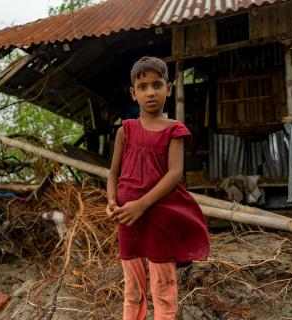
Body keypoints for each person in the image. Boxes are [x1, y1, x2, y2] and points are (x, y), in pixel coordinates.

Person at [106, 56, 210, 320]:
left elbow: (175, 174)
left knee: (163, 286)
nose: (150, 92)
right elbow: (113, 173)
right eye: (143, 87)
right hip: (127, 220)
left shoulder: (175, 129)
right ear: (133, 93)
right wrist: (111, 202)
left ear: (169, 88)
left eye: (157, 84)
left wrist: (141, 204)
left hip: (158, 218)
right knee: (132, 288)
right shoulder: (125, 131)